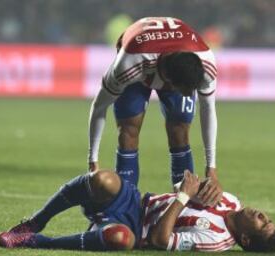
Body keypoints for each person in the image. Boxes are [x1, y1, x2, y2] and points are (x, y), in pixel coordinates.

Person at [88, 17, 221, 206]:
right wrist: (93, 159)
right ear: (168, 81)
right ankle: (126, 205)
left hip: (167, 57)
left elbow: (208, 109)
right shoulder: (129, 64)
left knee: (180, 130)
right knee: (128, 131)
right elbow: (99, 106)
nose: (189, 94)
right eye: (184, 90)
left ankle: (183, 204)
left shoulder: (205, 63)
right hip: (142, 60)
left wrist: (211, 167)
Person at [0, 170, 275, 252]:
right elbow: (181, 192)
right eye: (267, 217)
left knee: (122, 240)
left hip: (135, 230)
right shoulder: (230, 200)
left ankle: (37, 242)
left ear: (245, 240)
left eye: (262, 224)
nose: (262, 215)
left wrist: (183, 196)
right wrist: (189, 186)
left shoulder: (216, 241)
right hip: (136, 202)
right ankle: (35, 223)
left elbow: (160, 240)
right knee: (102, 179)